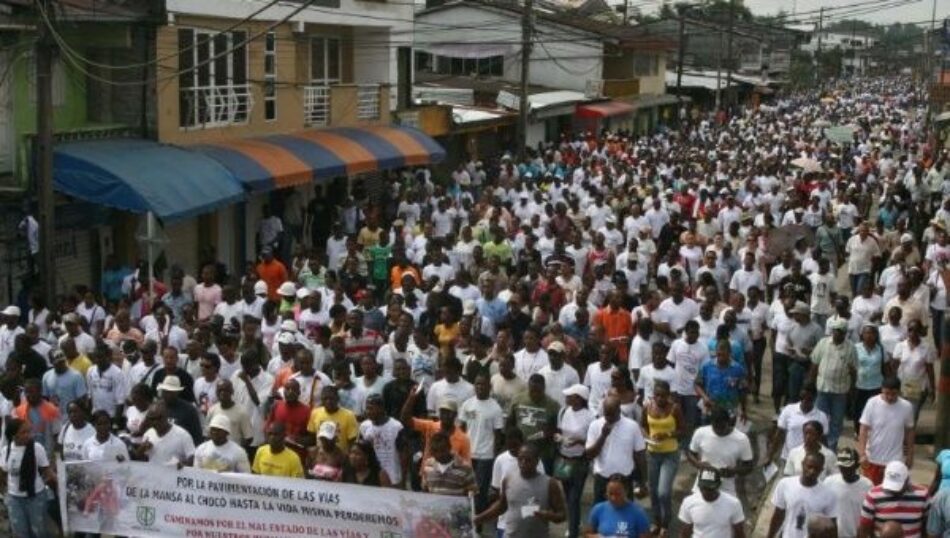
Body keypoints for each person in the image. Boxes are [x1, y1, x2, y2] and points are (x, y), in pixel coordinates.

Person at [475, 443, 566, 537]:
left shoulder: (550, 484)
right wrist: (479, 518)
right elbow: (501, 506)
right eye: (520, 459)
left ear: (537, 461)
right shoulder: (508, 480)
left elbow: (562, 515)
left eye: (528, 460)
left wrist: (548, 515)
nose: (523, 463)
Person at [585, 395, 648, 505]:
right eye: (606, 413)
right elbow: (589, 455)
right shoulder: (595, 425)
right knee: (602, 516)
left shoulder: (632, 426)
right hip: (602, 480)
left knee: (625, 516)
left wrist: (643, 482)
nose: (608, 417)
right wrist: (603, 436)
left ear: (619, 410)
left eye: (611, 414)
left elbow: (640, 455)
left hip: (624, 480)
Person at [0, 417, 56, 538]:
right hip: (14, 499)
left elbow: (47, 472)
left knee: (39, 531)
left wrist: (57, 486)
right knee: (20, 532)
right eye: (23, 432)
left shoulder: (37, 448)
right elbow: (3, 473)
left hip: (35, 497)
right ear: (13, 435)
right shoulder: (6, 450)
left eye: (28, 431)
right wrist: (5, 494)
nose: (28, 435)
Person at [642, 379, 684, 535]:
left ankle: (666, 522)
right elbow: (643, 426)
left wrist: (667, 434)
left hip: (670, 454)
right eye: (657, 395)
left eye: (663, 396)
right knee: (653, 491)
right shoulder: (647, 407)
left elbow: (683, 430)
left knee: (663, 492)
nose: (660, 399)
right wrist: (648, 436)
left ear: (668, 396)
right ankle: (656, 520)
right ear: (653, 395)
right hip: (652, 453)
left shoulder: (675, 408)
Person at [810, 318, 857, 451]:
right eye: (835, 331)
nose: (837, 334)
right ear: (832, 331)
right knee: (820, 419)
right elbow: (815, 364)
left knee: (836, 422)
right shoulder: (823, 343)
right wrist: (810, 384)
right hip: (822, 388)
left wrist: (852, 392)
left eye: (841, 331)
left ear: (845, 333)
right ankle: (819, 446)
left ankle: (831, 448)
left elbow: (854, 371)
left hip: (840, 391)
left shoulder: (851, 348)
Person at [858, 377, 915, 485]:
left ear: (899, 391)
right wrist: (862, 454)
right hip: (872, 459)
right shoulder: (872, 403)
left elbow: (910, 431)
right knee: (871, 491)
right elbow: (863, 429)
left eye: (893, 394)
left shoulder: (907, 407)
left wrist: (910, 455)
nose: (889, 397)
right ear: (882, 390)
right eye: (886, 393)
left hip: (896, 461)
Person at [767, 452, 838, 538]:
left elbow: (832, 527)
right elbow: (778, 515)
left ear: (821, 470)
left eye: (816, 469)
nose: (812, 471)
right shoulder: (785, 484)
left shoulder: (829, 494)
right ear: (803, 464)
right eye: (809, 467)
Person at [687, 406, 753, 497]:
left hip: (727, 489)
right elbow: (690, 453)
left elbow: (749, 466)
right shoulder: (700, 433)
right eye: (715, 427)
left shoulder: (742, 439)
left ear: (728, 422)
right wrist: (698, 464)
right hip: (703, 484)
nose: (719, 431)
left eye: (722, 427)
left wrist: (734, 471)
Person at [858, 460, 929, 538]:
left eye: (898, 486)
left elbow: (927, 527)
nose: (893, 490)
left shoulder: (923, 495)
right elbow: (864, 528)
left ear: (907, 480)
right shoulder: (873, 495)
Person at [678, 468, 746, 538]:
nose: (706, 492)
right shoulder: (689, 502)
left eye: (710, 488)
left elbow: (739, 532)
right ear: (699, 485)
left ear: (718, 485)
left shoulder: (733, 504)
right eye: (703, 488)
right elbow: (685, 532)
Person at [823, 447, 872, 538]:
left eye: (847, 466)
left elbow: (870, 515)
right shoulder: (829, 482)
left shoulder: (867, 485)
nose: (844, 470)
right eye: (841, 466)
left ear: (857, 465)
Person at [584, 473, 651, 538]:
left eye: (618, 494)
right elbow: (587, 534)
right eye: (610, 494)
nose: (613, 498)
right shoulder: (598, 509)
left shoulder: (638, 513)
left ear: (626, 492)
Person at [136, 402, 195, 467]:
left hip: (174, 476)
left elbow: (192, 460)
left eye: (159, 418)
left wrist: (181, 465)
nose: (156, 422)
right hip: (153, 475)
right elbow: (145, 461)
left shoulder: (183, 435)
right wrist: (141, 451)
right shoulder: (148, 434)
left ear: (166, 415)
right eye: (152, 419)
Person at [420, 431, 476, 496]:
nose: (439, 455)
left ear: (449, 447)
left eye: (442, 450)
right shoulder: (428, 465)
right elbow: (425, 489)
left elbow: (472, 492)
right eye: (435, 451)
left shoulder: (465, 468)